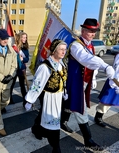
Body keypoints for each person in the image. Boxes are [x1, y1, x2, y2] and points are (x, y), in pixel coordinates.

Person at [60, 18, 115, 151]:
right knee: (80, 109)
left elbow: (92, 65)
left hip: (84, 82)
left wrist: (94, 78)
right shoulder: (75, 45)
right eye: (90, 31)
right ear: (83, 30)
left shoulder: (89, 45)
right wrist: (105, 66)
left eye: (94, 31)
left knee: (69, 103)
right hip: (74, 83)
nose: (93, 34)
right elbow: (87, 60)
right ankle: (88, 140)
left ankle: (62, 122)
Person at [25, 39, 67, 153]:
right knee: (52, 122)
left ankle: (36, 130)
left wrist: (64, 93)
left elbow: (62, 81)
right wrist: (30, 100)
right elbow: (37, 85)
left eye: (65, 49)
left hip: (58, 97)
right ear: (53, 51)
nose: (64, 52)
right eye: (61, 49)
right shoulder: (45, 67)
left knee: (51, 120)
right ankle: (56, 148)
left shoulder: (62, 64)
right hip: (49, 97)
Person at [94, 53, 119, 127]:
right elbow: (116, 71)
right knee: (106, 101)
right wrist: (117, 85)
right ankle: (98, 117)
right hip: (115, 82)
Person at [10, 32, 30, 106]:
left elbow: (27, 59)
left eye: (26, 37)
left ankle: (25, 101)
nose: (25, 39)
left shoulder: (25, 48)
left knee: (22, 85)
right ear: (20, 38)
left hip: (22, 68)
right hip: (15, 68)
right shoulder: (14, 47)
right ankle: (9, 99)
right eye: (24, 37)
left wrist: (23, 59)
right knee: (12, 84)